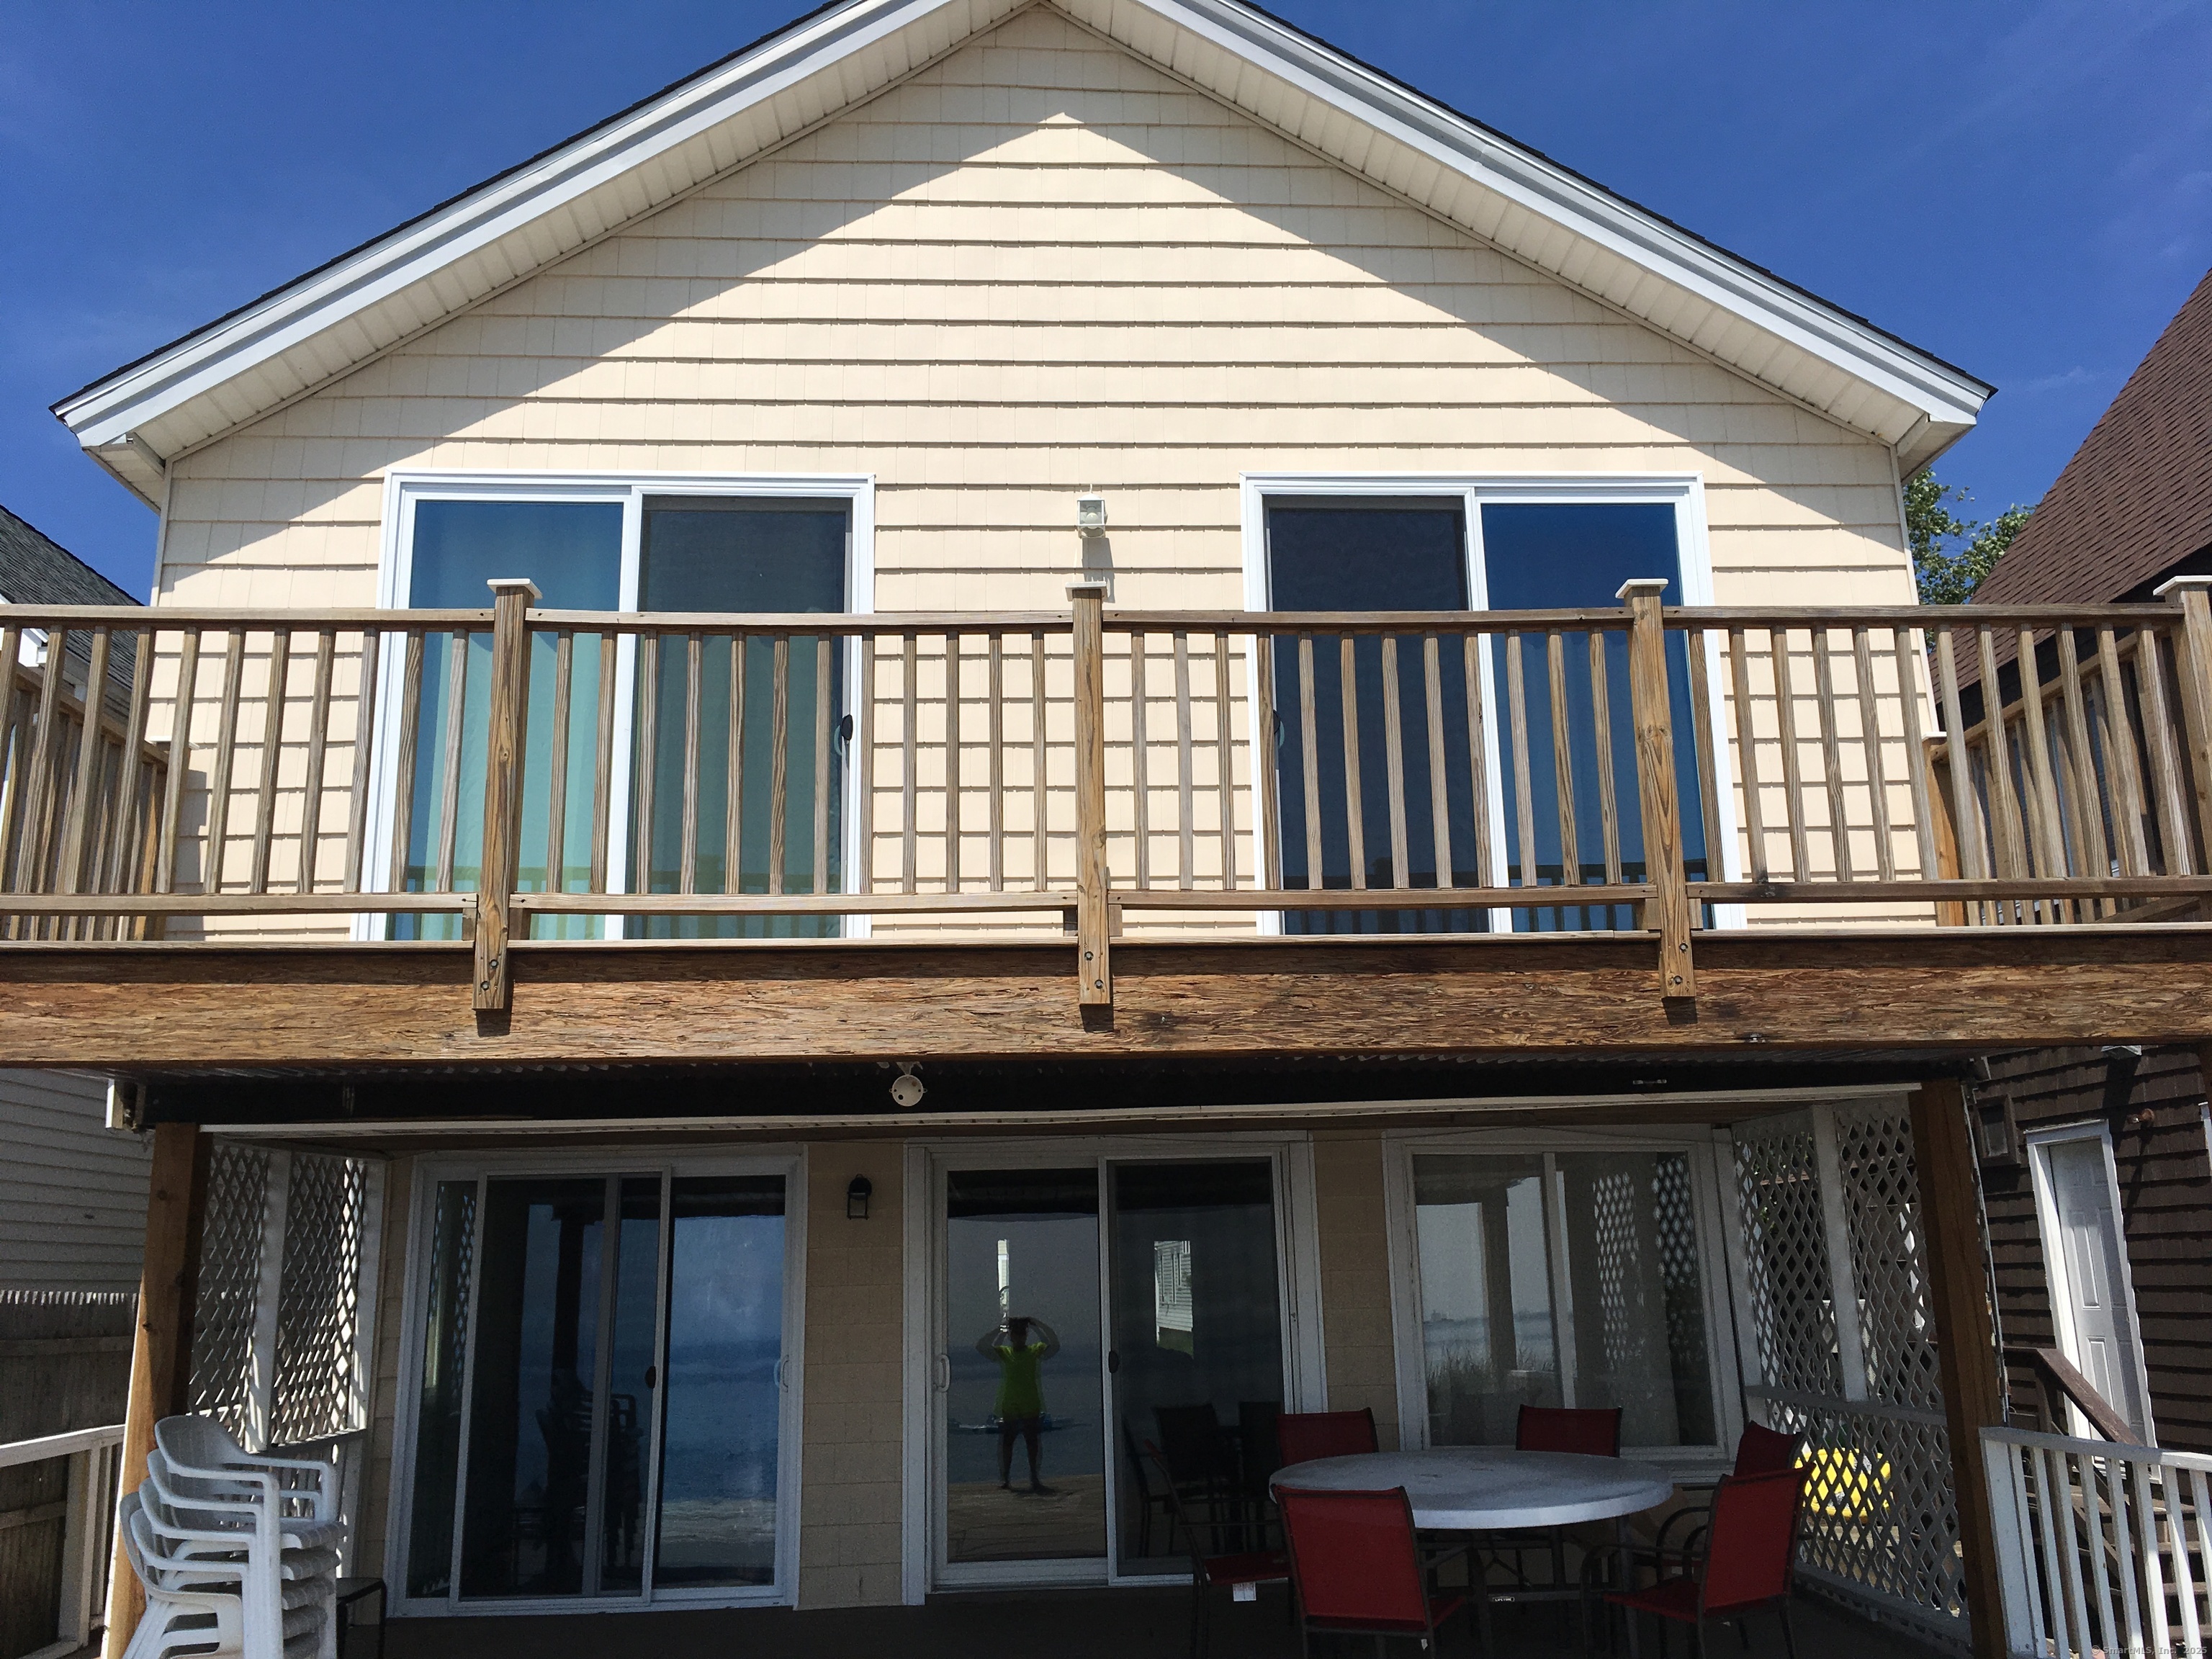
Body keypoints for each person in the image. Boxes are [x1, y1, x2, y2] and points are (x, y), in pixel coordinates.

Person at [977, 1314, 1060, 1493]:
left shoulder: (1034, 1351)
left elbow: (1053, 1344)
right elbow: (982, 1347)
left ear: (1025, 1335)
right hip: (1011, 1403)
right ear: (1012, 1336)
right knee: (1008, 1442)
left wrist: (1037, 1325)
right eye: (1016, 1334)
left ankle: (1034, 1478)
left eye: (1022, 1334)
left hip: (1030, 1402)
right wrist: (1001, 1329)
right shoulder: (1005, 1353)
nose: (1019, 1337)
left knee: (1032, 1443)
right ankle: (1006, 1479)